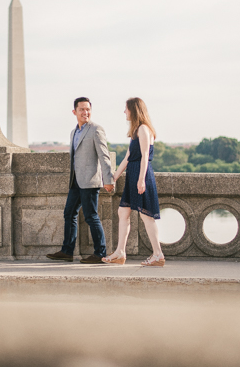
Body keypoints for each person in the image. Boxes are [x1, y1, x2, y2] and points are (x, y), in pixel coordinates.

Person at [46, 97, 115, 264]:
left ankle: (100, 253)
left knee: (91, 216)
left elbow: (104, 156)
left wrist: (109, 179)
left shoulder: (96, 129)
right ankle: (67, 251)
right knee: (69, 213)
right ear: (74, 112)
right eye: (82, 109)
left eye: (88, 109)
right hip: (75, 181)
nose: (85, 112)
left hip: (90, 181)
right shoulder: (74, 132)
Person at [104, 97, 165, 267]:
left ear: (134, 110)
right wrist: (114, 177)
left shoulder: (144, 129)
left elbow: (145, 156)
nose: (124, 111)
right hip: (133, 175)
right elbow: (128, 157)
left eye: (126, 108)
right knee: (123, 213)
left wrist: (141, 180)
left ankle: (158, 254)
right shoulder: (136, 130)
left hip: (141, 176)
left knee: (147, 217)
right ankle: (120, 253)